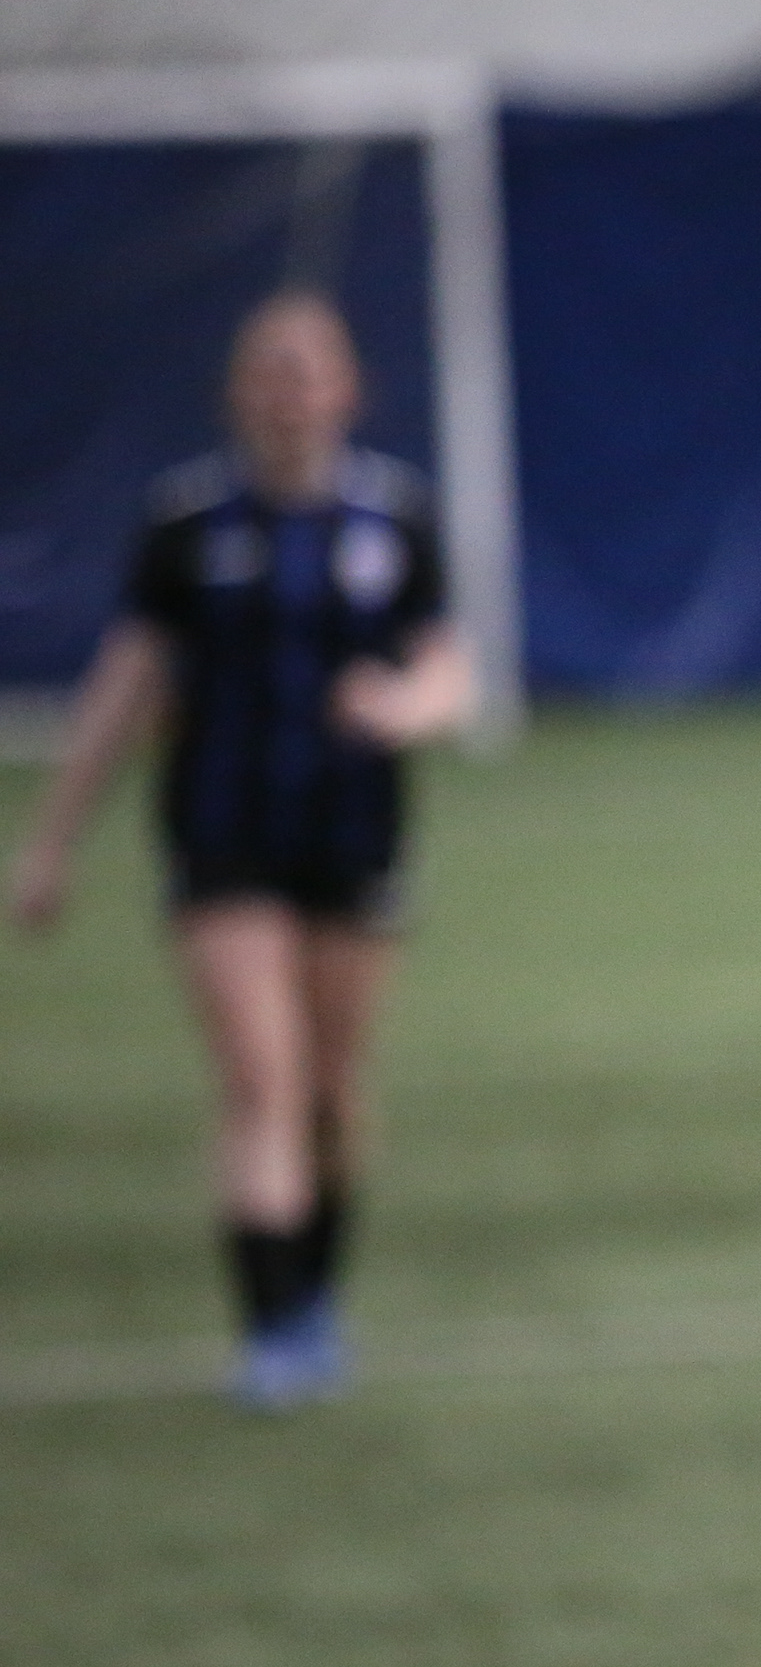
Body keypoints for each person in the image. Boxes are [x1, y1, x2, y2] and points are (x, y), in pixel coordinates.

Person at [8, 291, 471, 1408]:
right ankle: (270, 1330)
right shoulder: (188, 525)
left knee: (332, 1091)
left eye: (306, 373)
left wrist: (404, 708)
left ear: (347, 390)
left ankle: (314, 1298)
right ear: (235, 394)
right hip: (222, 837)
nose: (287, 395)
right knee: (264, 1075)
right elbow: (124, 687)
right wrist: (52, 840)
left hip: (353, 835)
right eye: (269, 373)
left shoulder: (395, 518)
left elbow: (447, 667)